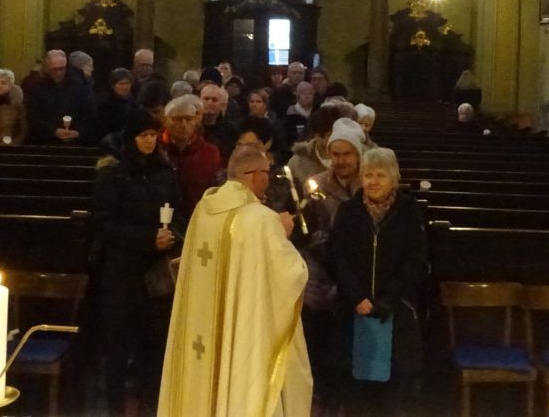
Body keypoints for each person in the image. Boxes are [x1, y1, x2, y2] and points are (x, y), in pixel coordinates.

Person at [157, 145, 312, 417]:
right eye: (267, 173)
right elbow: (293, 274)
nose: (268, 179)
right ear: (255, 175)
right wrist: (282, 231)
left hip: (201, 324)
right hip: (243, 326)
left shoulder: (204, 209)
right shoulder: (261, 219)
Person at [92, 109, 185, 417]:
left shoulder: (164, 170)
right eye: (143, 135)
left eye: (152, 135)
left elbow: (179, 212)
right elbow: (104, 224)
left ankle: (150, 406)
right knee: (118, 347)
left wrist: (172, 235)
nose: (149, 141)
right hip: (122, 273)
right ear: (131, 138)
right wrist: (147, 238)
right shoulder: (114, 173)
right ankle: (115, 409)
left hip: (156, 274)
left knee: (153, 347)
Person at [329, 147, 429, 416]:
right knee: (356, 395)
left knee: (392, 397)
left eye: (380, 175)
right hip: (353, 310)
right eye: (368, 175)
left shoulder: (409, 212)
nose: (373, 181)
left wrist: (389, 297)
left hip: (396, 311)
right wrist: (356, 296)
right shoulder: (349, 211)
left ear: (394, 178)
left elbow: (417, 261)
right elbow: (337, 257)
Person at [303, 122, 364, 404]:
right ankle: (322, 390)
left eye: (347, 154)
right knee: (321, 333)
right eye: (335, 154)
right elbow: (307, 226)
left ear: (358, 155)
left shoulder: (369, 183)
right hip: (323, 271)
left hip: (357, 270)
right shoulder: (317, 185)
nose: (340, 160)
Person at [159, 96, 221, 215]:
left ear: (195, 122)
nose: (183, 124)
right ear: (165, 120)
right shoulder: (155, 149)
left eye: (189, 119)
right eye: (177, 119)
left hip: (198, 216)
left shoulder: (209, 152)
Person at [25, 49, 95, 144]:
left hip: (77, 140)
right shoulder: (36, 87)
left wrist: (78, 132)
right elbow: (33, 116)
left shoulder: (80, 83)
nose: (59, 73)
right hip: (46, 141)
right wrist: (53, 131)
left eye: (62, 68)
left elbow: (89, 112)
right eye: (54, 69)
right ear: (46, 68)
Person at [288, 106, 338, 187]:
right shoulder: (298, 163)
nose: (335, 139)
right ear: (316, 136)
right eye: (330, 135)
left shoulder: (352, 158)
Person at [199, 82, 239, 160]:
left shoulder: (231, 130)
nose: (209, 102)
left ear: (222, 105)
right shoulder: (192, 126)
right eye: (206, 99)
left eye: (214, 100)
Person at [96, 67, 136, 144]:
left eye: (127, 83)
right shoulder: (105, 104)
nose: (125, 87)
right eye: (121, 84)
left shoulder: (134, 102)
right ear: (113, 85)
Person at [285, 80, 316, 146]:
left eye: (310, 94)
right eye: (304, 94)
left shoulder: (317, 111)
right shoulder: (291, 112)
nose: (307, 96)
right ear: (298, 96)